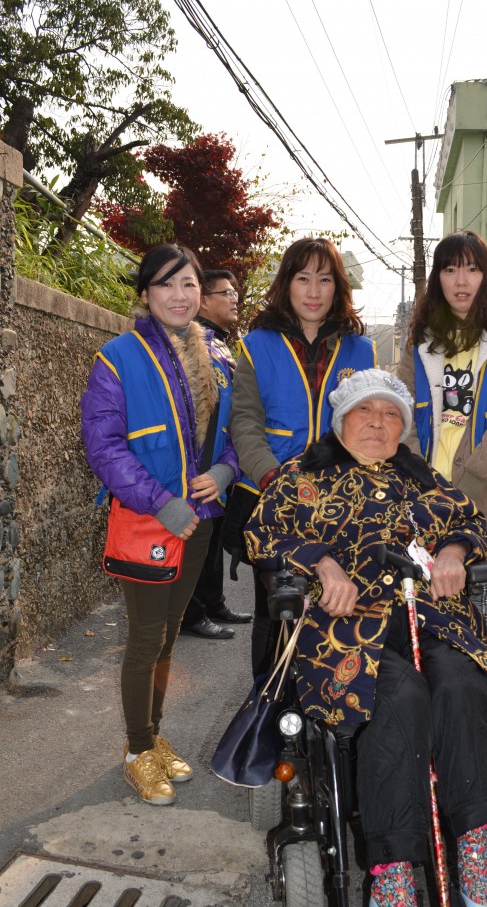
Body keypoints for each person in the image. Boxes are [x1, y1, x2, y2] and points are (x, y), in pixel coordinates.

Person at [244, 369, 487, 907]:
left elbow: (468, 523)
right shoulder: (302, 478)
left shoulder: (424, 481)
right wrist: (323, 567)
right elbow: (263, 533)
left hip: (429, 620)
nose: (377, 422)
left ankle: (474, 853)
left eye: (391, 413)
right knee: (399, 697)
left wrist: (452, 553)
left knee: (462, 684)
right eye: (364, 411)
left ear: (405, 426)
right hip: (342, 631)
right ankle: (390, 882)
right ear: (339, 420)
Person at [81, 244, 239, 806]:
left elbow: (237, 433)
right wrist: (160, 501)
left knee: (170, 635)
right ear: (146, 294)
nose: (180, 295)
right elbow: (103, 445)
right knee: (147, 638)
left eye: (190, 284)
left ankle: (152, 736)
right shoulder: (117, 357)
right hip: (151, 520)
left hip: (199, 520)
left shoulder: (219, 357)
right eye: (167, 285)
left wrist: (224, 471)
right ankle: (134, 752)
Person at [222, 236, 376, 677]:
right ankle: (266, 714)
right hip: (270, 498)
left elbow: (366, 423)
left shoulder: (360, 349)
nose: (313, 291)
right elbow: (245, 422)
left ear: (338, 287)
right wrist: (274, 477)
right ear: (287, 284)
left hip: (338, 502)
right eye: (302, 278)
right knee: (276, 612)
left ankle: (322, 716)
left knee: (334, 611)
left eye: (324, 280)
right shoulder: (257, 344)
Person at [397, 231, 487, 684]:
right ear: (437, 277)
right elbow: (400, 414)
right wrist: (421, 483)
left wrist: (468, 490)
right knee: (430, 628)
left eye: (473, 269)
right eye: (450, 268)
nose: (462, 280)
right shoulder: (419, 343)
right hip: (425, 505)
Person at [180, 269, 252, 639]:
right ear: (204, 301)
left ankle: (212, 601)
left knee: (213, 536)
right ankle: (190, 614)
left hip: (223, 460)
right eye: (227, 292)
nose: (235, 297)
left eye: (235, 291)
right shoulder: (192, 342)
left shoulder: (219, 343)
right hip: (201, 461)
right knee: (198, 538)